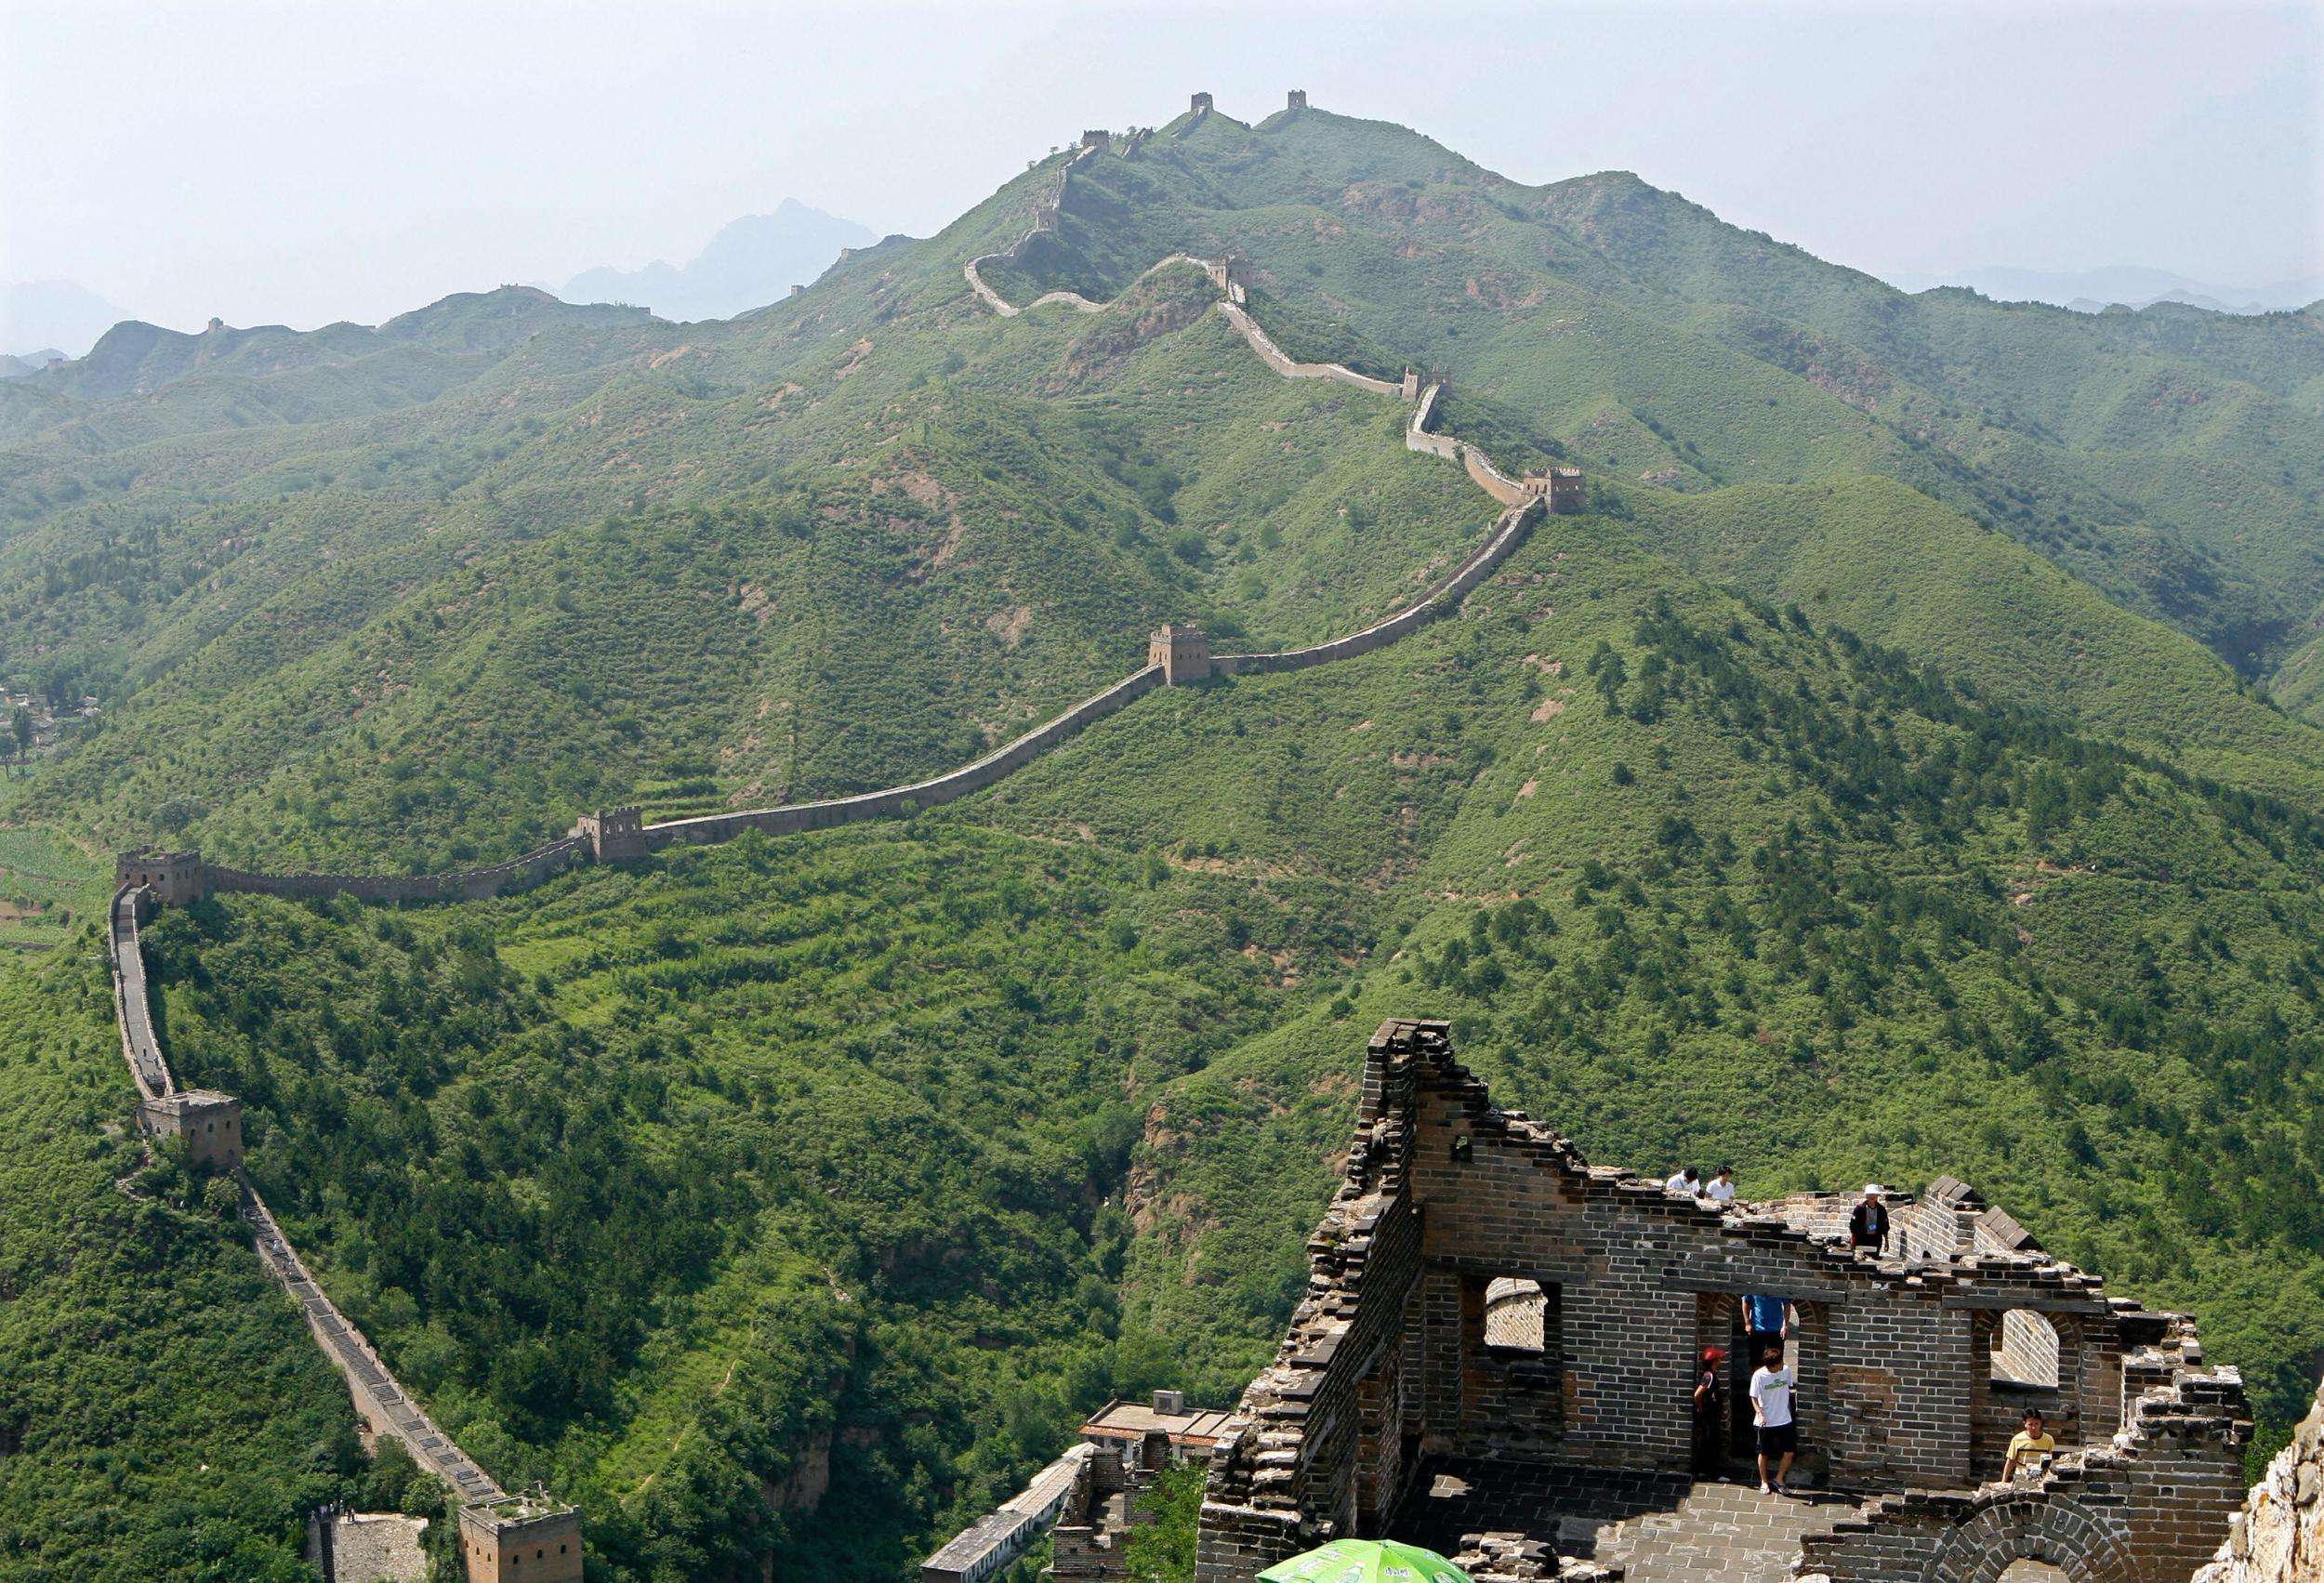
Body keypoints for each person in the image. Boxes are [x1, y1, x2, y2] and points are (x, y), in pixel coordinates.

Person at [1750, 1344, 1797, 1495]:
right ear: (1772, 1365)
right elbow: (1754, 1397)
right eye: (1780, 1363)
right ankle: (1764, 1481)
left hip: (1784, 1418)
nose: (1783, 1364)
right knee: (1764, 1453)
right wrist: (1759, 1413)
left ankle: (1779, 1478)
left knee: (1789, 1451)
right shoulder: (1759, 1376)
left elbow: (1789, 1389)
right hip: (1766, 1421)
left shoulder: (1786, 1371)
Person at [1693, 1347, 1726, 1476]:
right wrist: (1701, 1407)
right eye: (1719, 1359)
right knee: (1711, 1441)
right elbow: (1697, 1395)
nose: (1721, 1361)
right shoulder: (1709, 1376)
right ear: (1714, 1361)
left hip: (1712, 1414)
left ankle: (1705, 1470)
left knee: (1710, 1440)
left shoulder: (1709, 1374)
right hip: (1709, 1414)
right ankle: (1711, 1471)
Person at [2002, 1408, 2055, 1482]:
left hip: (2041, 1478)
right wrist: (2003, 1481)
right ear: (2025, 1424)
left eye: (2036, 1424)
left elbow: (2052, 1461)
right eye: (2030, 1424)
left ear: (2040, 1423)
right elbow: (2010, 1461)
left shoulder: (2049, 1440)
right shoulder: (2017, 1439)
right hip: (2022, 1477)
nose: (2034, 1428)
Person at [1849, 1184, 1890, 1254]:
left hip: (1875, 1239)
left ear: (1877, 1196)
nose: (1872, 1196)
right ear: (1866, 1196)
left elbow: (1885, 1227)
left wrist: (1886, 1241)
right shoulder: (1860, 1209)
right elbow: (1853, 1226)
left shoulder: (1881, 1210)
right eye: (1870, 1194)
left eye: (1874, 1194)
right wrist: (1853, 1240)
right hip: (1861, 1239)